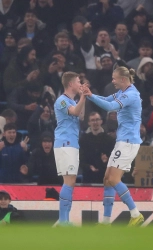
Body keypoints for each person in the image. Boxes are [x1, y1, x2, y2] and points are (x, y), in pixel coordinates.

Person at [83, 66, 144, 226]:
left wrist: (90, 96)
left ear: (123, 79)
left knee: (113, 179)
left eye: (114, 78)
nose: (112, 81)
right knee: (107, 180)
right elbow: (106, 99)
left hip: (129, 142)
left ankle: (136, 214)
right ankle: (106, 221)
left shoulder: (131, 95)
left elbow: (110, 107)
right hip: (122, 142)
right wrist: (90, 95)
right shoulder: (122, 93)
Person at [53, 71, 86, 226]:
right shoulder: (62, 100)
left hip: (72, 143)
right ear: (71, 84)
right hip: (65, 143)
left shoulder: (73, 101)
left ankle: (64, 219)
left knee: (71, 182)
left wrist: (82, 97)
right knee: (68, 181)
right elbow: (75, 112)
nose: (80, 84)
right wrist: (84, 96)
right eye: (78, 81)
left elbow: (81, 116)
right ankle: (63, 220)